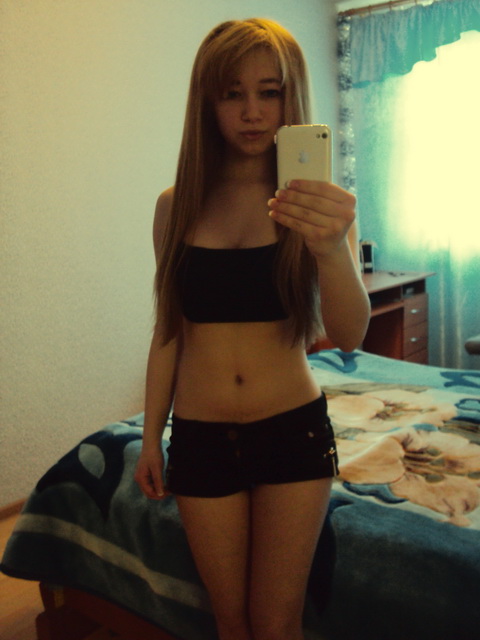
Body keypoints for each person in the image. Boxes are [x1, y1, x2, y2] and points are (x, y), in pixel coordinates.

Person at [135, 18, 370, 640]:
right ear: (206, 102)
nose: (252, 112)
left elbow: (350, 335)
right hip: (200, 436)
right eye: (231, 93)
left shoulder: (318, 204)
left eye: (270, 92)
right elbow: (168, 330)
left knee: (276, 622)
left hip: (292, 429)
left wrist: (330, 249)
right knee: (230, 621)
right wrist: (151, 436)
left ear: (292, 98)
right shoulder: (175, 205)